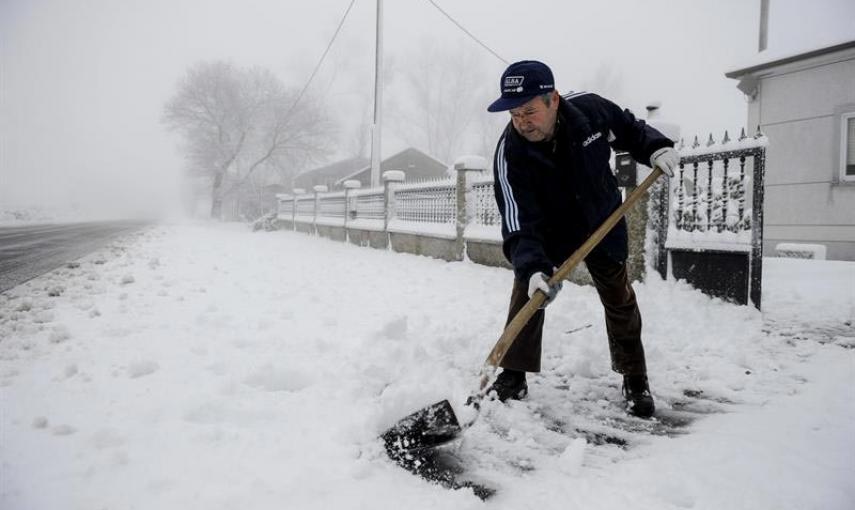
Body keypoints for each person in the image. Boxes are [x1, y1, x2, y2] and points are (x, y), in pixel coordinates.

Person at [485, 60, 679, 418]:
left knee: (619, 298)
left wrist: (655, 147)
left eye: (529, 111)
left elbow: (629, 129)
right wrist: (533, 269)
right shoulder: (510, 153)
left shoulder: (589, 111)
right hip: (549, 232)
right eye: (515, 114)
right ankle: (513, 374)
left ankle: (635, 378)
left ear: (553, 100)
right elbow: (518, 221)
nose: (522, 122)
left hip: (600, 219)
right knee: (527, 293)